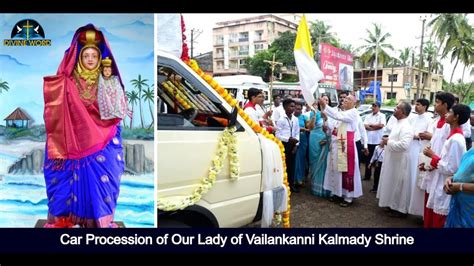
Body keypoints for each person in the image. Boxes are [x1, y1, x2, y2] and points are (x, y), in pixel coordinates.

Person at [43, 25, 125, 228]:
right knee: (62, 177)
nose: (90, 59)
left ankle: (99, 222)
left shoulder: (108, 81)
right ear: (79, 58)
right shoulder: (68, 82)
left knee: (108, 174)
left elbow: (115, 113)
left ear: (100, 59)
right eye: (86, 55)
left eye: (94, 56)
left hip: (103, 138)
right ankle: (66, 220)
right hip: (73, 139)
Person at [422, 104, 470, 227]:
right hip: (440, 181)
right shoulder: (452, 136)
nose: (446, 114)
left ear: (456, 117)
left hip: (445, 184)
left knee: (440, 220)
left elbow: (452, 168)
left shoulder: (457, 140)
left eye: (450, 112)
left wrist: (433, 156)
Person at [418, 92, 455, 228]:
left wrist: (434, 162)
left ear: (445, 105)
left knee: (438, 207)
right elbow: (433, 145)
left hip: (441, 169)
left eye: (437, 102)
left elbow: (447, 151)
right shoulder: (435, 121)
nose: (435, 105)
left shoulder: (449, 124)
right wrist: (427, 164)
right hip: (432, 167)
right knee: (429, 202)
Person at [320, 95, 363, 207]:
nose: (344, 100)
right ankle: (337, 192)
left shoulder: (353, 113)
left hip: (346, 144)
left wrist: (325, 106)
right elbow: (333, 127)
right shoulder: (342, 113)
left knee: (346, 171)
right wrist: (325, 119)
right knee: (336, 170)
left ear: (354, 103)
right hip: (337, 143)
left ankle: (348, 197)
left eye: (348, 99)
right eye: (344, 99)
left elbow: (337, 116)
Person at [376, 101, 414, 217]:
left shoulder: (406, 126)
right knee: (391, 182)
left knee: (399, 185)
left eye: (397, 108)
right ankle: (391, 204)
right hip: (393, 159)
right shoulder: (398, 123)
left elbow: (404, 145)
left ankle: (400, 209)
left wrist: (389, 142)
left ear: (402, 112)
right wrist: (387, 140)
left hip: (400, 161)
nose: (394, 109)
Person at [407, 98, 433, 217]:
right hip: (410, 147)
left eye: (418, 104)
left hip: (420, 149)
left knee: (416, 176)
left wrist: (418, 136)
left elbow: (428, 135)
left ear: (425, 106)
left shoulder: (429, 119)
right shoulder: (413, 117)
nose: (416, 106)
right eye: (415, 104)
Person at [444, 147, 474, 227]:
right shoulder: (472, 150)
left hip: (470, 208)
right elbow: (464, 172)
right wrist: (450, 178)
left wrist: (459, 186)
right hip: (459, 204)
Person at [308, 95, 331, 198]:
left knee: (325, 163)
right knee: (314, 162)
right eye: (323, 100)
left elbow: (333, 129)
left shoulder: (332, 114)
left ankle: (324, 188)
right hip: (314, 140)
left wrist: (327, 139)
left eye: (327, 100)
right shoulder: (315, 113)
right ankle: (315, 186)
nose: (324, 101)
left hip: (326, 139)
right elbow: (310, 127)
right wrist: (313, 115)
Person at [275, 98, 300, 193]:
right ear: (285, 107)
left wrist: (296, 144)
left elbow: (297, 132)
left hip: (293, 144)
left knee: (292, 165)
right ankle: (283, 184)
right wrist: (288, 139)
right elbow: (278, 135)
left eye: (294, 106)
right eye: (291, 106)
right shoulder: (281, 119)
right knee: (284, 164)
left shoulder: (295, 119)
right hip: (285, 144)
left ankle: (291, 184)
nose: (293, 108)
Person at [363, 102, 386, 181]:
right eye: (372, 106)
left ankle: (377, 180)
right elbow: (365, 126)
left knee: (377, 160)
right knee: (367, 159)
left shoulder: (382, 116)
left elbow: (381, 126)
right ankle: (367, 176)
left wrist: (371, 126)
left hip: (377, 141)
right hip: (369, 141)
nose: (373, 107)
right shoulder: (368, 116)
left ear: (379, 107)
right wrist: (374, 126)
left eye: (375, 106)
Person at [294, 101, 309, 187]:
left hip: (303, 140)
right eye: (296, 108)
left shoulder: (304, 117)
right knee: (295, 160)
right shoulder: (290, 117)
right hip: (294, 140)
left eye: (300, 109)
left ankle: (300, 178)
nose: (298, 110)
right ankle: (294, 179)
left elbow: (309, 127)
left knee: (302, 160)